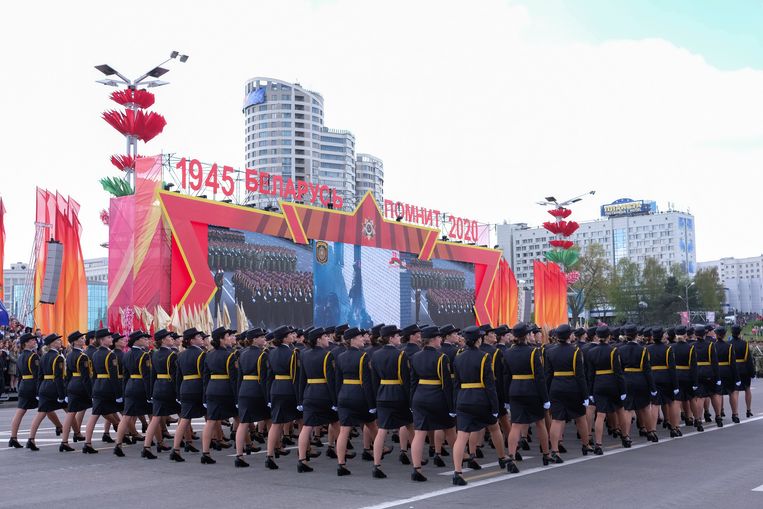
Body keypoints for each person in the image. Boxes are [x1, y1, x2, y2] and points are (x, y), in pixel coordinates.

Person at [450, 326, 511, 486]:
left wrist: (455, 403)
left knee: (462, 435)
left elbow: (456, 384)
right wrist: (495, 407)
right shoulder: (484, 357)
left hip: (463, 399)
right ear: (478, 339)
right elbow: (490, 385)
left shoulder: (458, 357)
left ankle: (457, 472)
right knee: (494, 428)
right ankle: (502, 458)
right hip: (480, 399)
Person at [408, 326, 456, 482]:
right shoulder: (442, 358)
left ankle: (416, 468)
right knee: (450, 431)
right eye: (439, 338)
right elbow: (446, 385)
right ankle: (458, 467)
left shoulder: (415, 357)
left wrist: (412, 402)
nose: (440, 340)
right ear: (434, 339)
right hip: (437, 397)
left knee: (420, 433)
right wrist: (451, 406)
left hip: (419, 397)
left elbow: (413, 382)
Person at [502, 322, 550, 471]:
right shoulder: (533, 352)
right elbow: (539, 377)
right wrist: (545, 398)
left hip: (515, 390)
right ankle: (546, 454)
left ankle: (511, 456)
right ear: (527, 336)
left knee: (516, 425)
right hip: (532, 390)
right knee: (540, 422)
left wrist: (506, 398)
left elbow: (506, 376)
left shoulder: (508, 352)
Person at [543, 324, 593, 461]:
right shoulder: (575, 351)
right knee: (580, 417)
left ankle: (555, 450)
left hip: (556, 387)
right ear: (568, 336)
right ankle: (585, 444)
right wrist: (585, 394)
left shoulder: (550, 351)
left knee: (557, 420)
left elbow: (548, 375)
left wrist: (546, 393)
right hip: (572, 387)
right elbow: (580, 375)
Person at [370, 325, 414, 479]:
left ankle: (376, 465)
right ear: (390, 338)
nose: (399, 338)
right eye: (396, 336)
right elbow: (406, 379)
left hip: (382, 395)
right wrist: (410, 400)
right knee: (410, 426)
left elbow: (374, 381)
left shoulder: (375, 355)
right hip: (398, 395)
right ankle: (417, 462)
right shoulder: (400, 355)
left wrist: (377, 397)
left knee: (382, 430)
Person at [335, 327, 378, 476]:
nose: (363, 339)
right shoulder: (363, 356)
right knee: (372, 425)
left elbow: (337, 381)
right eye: (360, 337)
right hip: (359, 396)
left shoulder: (340, 357)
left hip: (344, 394)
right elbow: (367, 382)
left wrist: (337, 399)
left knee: (344, 430)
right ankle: (378, 458)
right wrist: (372, 404)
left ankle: (341, 463)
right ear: (352, 340)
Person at [296, 327, 340, 473]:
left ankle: (302, 459)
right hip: (324, 394)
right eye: (325, 337)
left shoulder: (304, 354)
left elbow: (301, 379)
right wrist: (335, 402)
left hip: (309, 393)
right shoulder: (328, 355)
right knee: (336, 424)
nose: (328, 339)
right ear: (318, 340)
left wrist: (300, 400)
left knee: (307, 427)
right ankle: (342, 457)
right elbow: (330, 380)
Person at [585, 326, 627, 455]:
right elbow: (618, 372)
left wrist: (590, 392)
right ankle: (625, 437)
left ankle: (598, 444)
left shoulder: (591, 352)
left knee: (601, 415)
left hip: (598, 383)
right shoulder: (613, 351)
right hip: (612, 383)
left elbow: (590, 374)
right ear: (609, 336)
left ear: (597, 336)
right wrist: (623, 389)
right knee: (620, 410)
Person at [200, 327, 239, 465]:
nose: (230, 338)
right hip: (226, 389)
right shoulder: (230, 355)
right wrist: (236, 397)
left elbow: (205, 377)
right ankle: (242, 449)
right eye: (228, 336)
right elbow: (233, 378)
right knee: (239, 417)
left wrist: (205, 395)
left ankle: (205, 452)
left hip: (211, 388)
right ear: (221, 339)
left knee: (210, 421)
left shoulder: (208, 354)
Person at [170, 327, 209, 462]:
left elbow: (178, 377)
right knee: (210, 418)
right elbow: (204, 376)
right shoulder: (201, 354)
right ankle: (207, 451)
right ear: (192, 340)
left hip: (185, 388)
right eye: (198, 337)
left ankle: (175, 449)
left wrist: (178, 394)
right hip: (198, 388)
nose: (201, 339)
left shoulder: (180, 355)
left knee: (184, 418)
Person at [82, 329, 123, 454]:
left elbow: (93, 374)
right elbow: (114, 376)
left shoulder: (95, 354)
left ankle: (88, 443)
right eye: (109, 337)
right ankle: (119, 444)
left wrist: (94, 388)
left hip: (98, 386)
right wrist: (118, 394)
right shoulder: (110, 355)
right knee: (97, 416)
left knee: (96, 415)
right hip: (108, 387)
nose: (111, 339)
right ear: (102, 340)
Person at [233, 328, 270, 468]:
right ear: (254, 339)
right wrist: (267, 396)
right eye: (261, 337)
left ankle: (239, 455)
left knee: (243, 422)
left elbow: (239, 377)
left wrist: (237, 395)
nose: (264, 339)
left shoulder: (241, 353)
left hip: (244, 389)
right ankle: (274, 450)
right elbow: (264, 377)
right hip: (257, 390)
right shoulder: (262, 355)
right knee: (269, 419)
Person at [141, 329, 179, 459]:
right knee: (184, 416)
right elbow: (175, 376)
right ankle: (182, 445)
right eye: (169, 337)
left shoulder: (154, 354)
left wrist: (150, 393)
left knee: (155, 418)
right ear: (163, 340)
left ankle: (146, 446)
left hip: (158, 387)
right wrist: (178, 393)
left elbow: (152, 375)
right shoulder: (172, 355)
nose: (171, 339)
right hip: (169, 387)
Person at [113, 331, 152, 457]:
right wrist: (149, 394)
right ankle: (152, 444)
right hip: (140, 387)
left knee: (126, 416)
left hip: (130, 385)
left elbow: (125, 376)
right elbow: (146, 376)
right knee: (153, 416)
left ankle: (118, 444)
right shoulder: (144, 355)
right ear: (136, 341)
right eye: (143, 338)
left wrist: (124, 391)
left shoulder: (126, 354)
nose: (145, 340)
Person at [266, 325, 299, 469]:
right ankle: (304, 453)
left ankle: (269, 455)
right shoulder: (293, 353)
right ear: (284, 338)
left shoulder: (271, 353)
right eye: (290, 334)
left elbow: (269, 376)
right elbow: (296, 375)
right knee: (302, 420)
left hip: (276, 387)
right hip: (289, 388)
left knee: (276, 422)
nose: (293, 336)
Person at [26, 333, 67, 450]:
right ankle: (74, 434)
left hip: (44, 386)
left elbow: (40, 376)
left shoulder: (43, 356)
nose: (60, 342)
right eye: (58, 341)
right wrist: (61, 394)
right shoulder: (58, 357)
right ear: (52, 344)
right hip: (54, 387)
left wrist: (38, 391)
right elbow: (59, 378)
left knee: (41, 413)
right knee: (70, 411)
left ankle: (31, 439)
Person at [8, 333, 45, 448]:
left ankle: (13, 437)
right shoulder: (33, 356)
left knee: (20, 411)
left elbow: (18, 374)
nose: (35, 342)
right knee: (44, 408)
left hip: (23, 384)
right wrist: (39, 388)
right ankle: (31, 439)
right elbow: (37, 374)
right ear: (26, 343)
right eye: (32, 340)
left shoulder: (20, 356)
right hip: (32, 385)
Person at [646, 327, 681, 437]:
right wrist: (675, 385)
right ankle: (674, 428)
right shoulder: (668, 349)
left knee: (655, 405)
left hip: (653, 377)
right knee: (671, 403)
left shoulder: (647, 349)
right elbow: (672, 368)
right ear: (661, 336)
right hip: (666, 377)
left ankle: (652, 431)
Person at [59, 331, 90, 450]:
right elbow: (86, 377)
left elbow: (67, 375)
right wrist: (90, 392)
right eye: (81, 339)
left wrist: (67, 389)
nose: (83, 340)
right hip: (81, 385)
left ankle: (64, 441)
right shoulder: (82, 356)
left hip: (72, 384)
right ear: (75, 342)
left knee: (71, 413)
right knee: (99, 410)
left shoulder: (69, 355)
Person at [693, 325, 723, 427]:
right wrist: (718, 377)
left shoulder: (692, 346)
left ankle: (698, 420)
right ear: (705, 334)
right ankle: (718, 416)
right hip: (709, 372)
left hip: (697, 373)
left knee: (700, 397)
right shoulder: (710, 345)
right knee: (714, 395)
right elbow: (715, 363)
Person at [713, 327, 742, 422]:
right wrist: (737, 377)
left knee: (718, 393)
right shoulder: (729, 346)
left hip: (716, 371)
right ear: (725, 335)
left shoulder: (712, 346)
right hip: (727, 371)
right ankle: (735, 414)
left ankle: (718, 415)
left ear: (716, 335)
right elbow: (733, 363)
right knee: (732, 392)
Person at [729, 325, 754, 420]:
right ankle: (748, 409)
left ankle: (735, 413)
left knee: (735, 391)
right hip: (743, 368)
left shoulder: (729, 344)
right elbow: (748, 359)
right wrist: (751, 372)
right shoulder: (744, 344)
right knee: (747, 389)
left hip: (733, 369)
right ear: (739, 333)